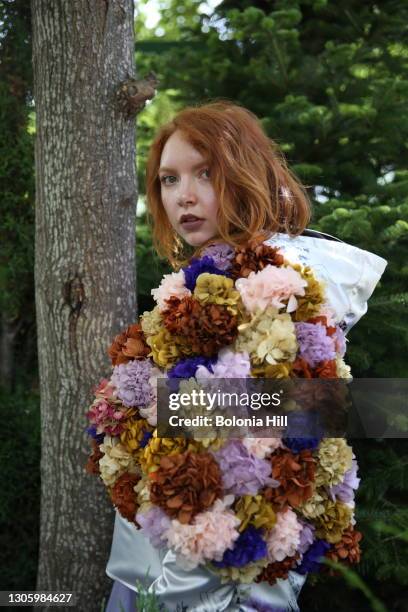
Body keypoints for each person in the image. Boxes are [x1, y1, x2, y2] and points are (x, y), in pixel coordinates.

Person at [104, 101, 387, 611]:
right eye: (169, 180)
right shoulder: (204, 282)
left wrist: (164, 409)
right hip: (155, 558)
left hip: (221, 577)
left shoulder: (283, 280)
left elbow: (325, 408)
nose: (183, 197)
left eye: (205, 174)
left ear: (244, 173)